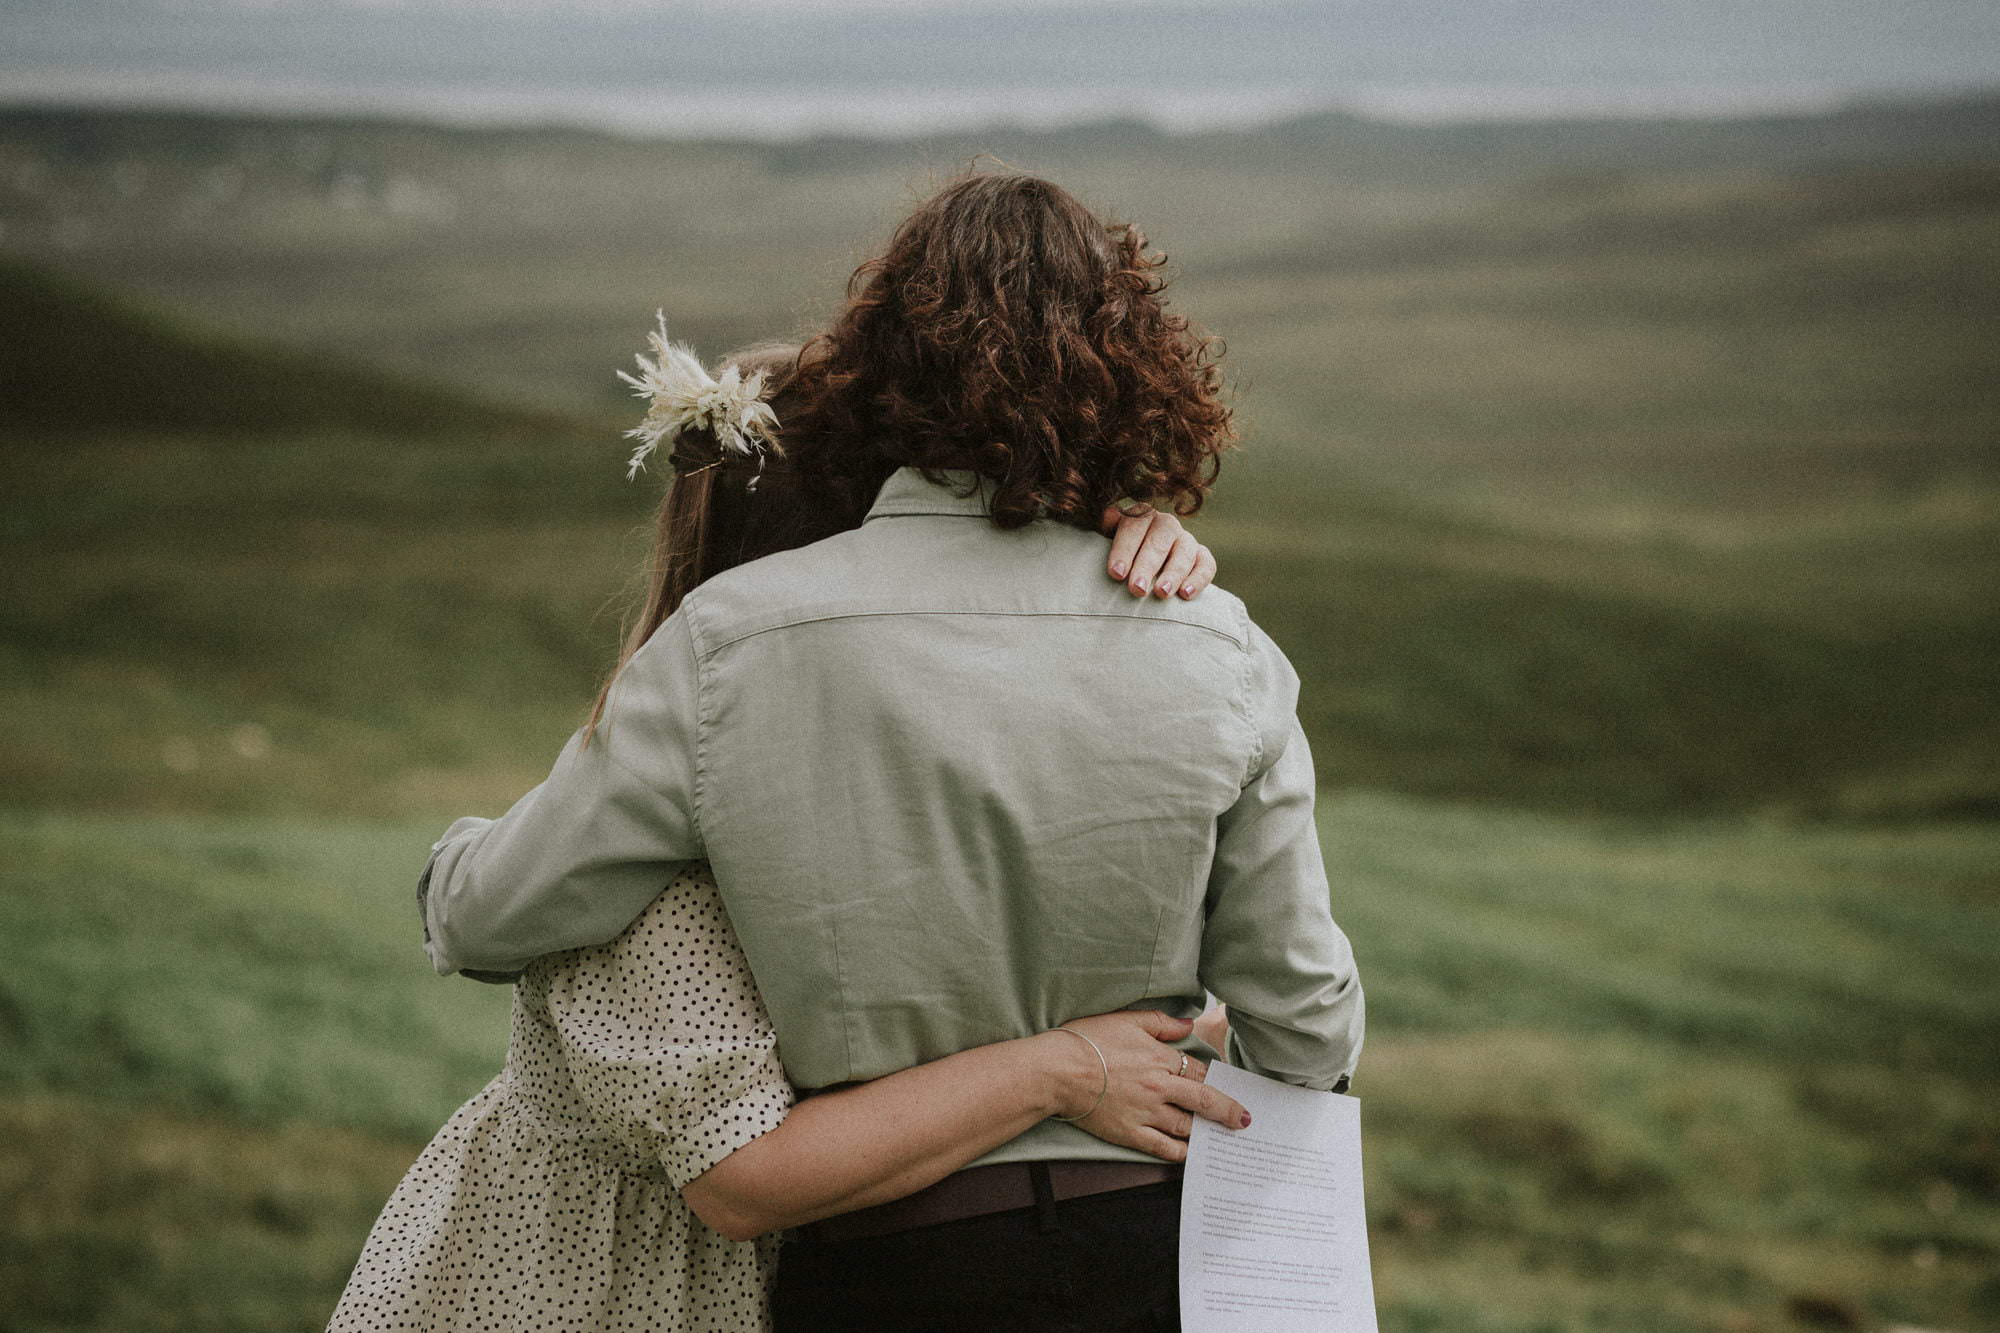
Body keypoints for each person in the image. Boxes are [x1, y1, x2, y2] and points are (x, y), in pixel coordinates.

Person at [421, 173, 1364, 1331]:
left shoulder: (730, 642)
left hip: (886, 1270)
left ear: (873, 365)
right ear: (1139, 375)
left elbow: (488, 919)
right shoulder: (1218, 645)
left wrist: (449, 864)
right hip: (1153, 1260)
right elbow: (1306, 1029)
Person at [327, 344, 1245, 1332]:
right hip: (587, 1297)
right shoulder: (663, 872)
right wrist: (1063, 1069)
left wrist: (1114, 560)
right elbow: (742, 1178)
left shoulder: (887, 795)